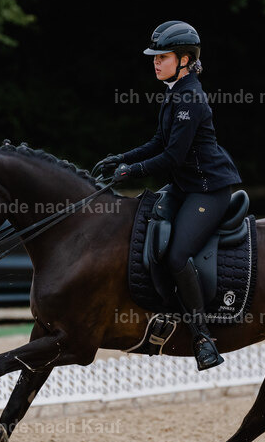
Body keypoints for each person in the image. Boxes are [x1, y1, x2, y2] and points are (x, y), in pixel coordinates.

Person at [96, 21, 243, 371]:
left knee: (177, 255)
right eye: (155, 57)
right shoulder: (175, 91)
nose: (155, 62)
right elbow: (157, 144)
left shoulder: (190, 96)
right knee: (145, 229)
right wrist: (122, 158)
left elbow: (172, 157)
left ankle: (202, 336)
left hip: (209, 190)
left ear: (185, 59)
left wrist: (130, 172)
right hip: (184, 186)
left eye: (162, 56)